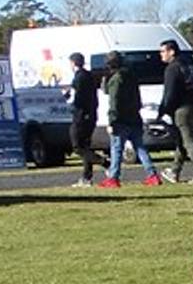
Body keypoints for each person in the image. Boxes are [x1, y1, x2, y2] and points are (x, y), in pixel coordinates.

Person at [98, 52, 160, 188]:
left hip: (120, 120)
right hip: (134, 117)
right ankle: (152, 175)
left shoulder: (116, 79)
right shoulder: (131, 77)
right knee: (140, 148)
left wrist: (112, 121)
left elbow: (114, 100)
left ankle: (113, 177)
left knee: (117, 149)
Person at [156, 37, 193, 183]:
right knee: (182, 140)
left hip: (182, 109)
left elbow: (170, 93)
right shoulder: (189, 65)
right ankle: (174, 170)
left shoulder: (172, 68)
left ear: (171, 52)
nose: (161, 55)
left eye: (163, 51)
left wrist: (163, 110)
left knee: (189, 141)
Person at [67, 52, 101, 186]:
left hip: (81, 116)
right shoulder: (89, 76)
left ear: (73, 63)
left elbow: (76, 98)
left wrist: (66, 96)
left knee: (77, 146)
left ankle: (103, 162)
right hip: (91, 114)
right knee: (86, 146)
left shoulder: (79, 78)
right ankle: (87, 177)